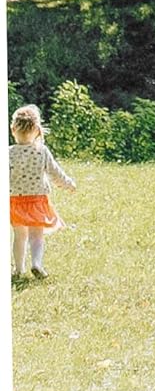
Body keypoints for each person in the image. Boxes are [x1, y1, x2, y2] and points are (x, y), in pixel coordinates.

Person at [9, 104, 76, 279]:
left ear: (13, 130)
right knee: (36, 236)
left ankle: (18, 269)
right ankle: (37, 264)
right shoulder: (41, 151)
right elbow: (55, 172)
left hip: (15, 201)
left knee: (19, 236)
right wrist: (68, 184)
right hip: (37, 200)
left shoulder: (9, 153)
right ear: (37, 130)